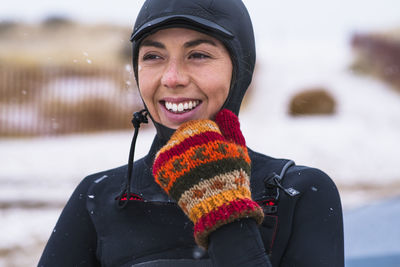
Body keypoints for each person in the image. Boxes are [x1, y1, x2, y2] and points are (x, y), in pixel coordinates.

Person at [38, 0, 344, 266]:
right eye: (153, 56)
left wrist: (225, 209)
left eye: (198, 55)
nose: (172, 78)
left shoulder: (297, 193)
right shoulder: (97, 196)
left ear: (240, 69)